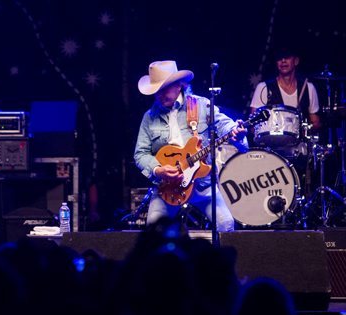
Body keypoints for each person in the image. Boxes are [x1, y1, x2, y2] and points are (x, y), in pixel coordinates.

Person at [134, 60, 248, 232]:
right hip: (168, 186)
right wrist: (158, 169)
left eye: (164, 89)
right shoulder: (149, 117)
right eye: (156, 91)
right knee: (153, 232)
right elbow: (140, 154)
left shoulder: (201, 105)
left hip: (202, 184)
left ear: (179, 85)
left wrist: (236, 131)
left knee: (226, 226)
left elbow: (224, 124)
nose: (160, 95)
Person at [249, 46, 322, 198]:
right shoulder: (263, 88)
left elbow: (316, 122)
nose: (283, 61)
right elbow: (253, 123)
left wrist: (304, 130)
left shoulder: (308, 88)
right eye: (279, 59)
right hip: (271, 150)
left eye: (287, 57)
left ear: (295, 61)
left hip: (299, 150)